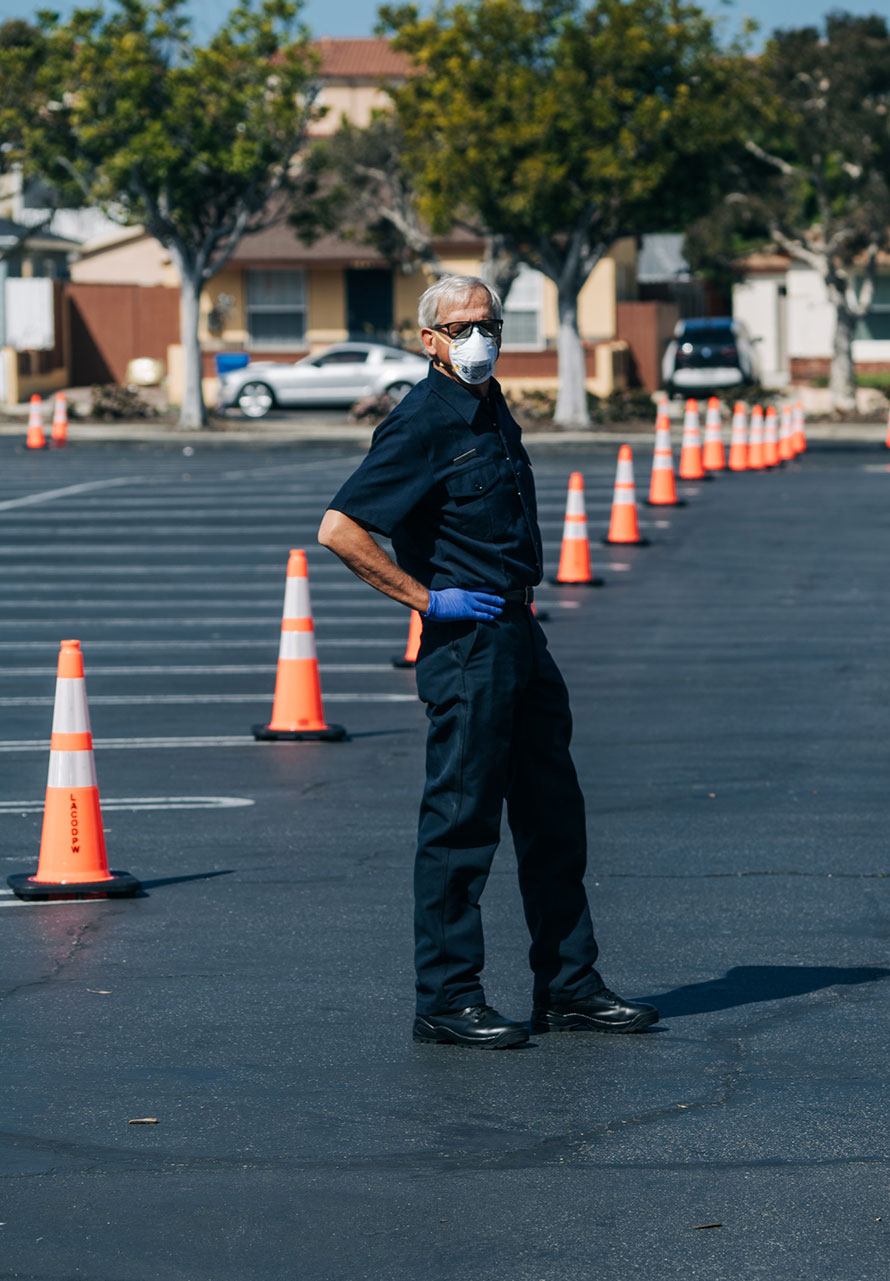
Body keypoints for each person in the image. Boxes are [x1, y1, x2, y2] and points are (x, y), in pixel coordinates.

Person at [317, 275, 656, 1049]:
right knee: (460, 825)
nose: (479, 338)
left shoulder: (492, 404)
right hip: (467, 643)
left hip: (519, 634)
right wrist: (426, 600)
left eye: (488, 323)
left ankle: (568, 984)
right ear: (429, 340)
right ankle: (445, 996)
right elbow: (341, 528)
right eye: (461, 327)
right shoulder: (421, 422)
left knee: (553, 818)